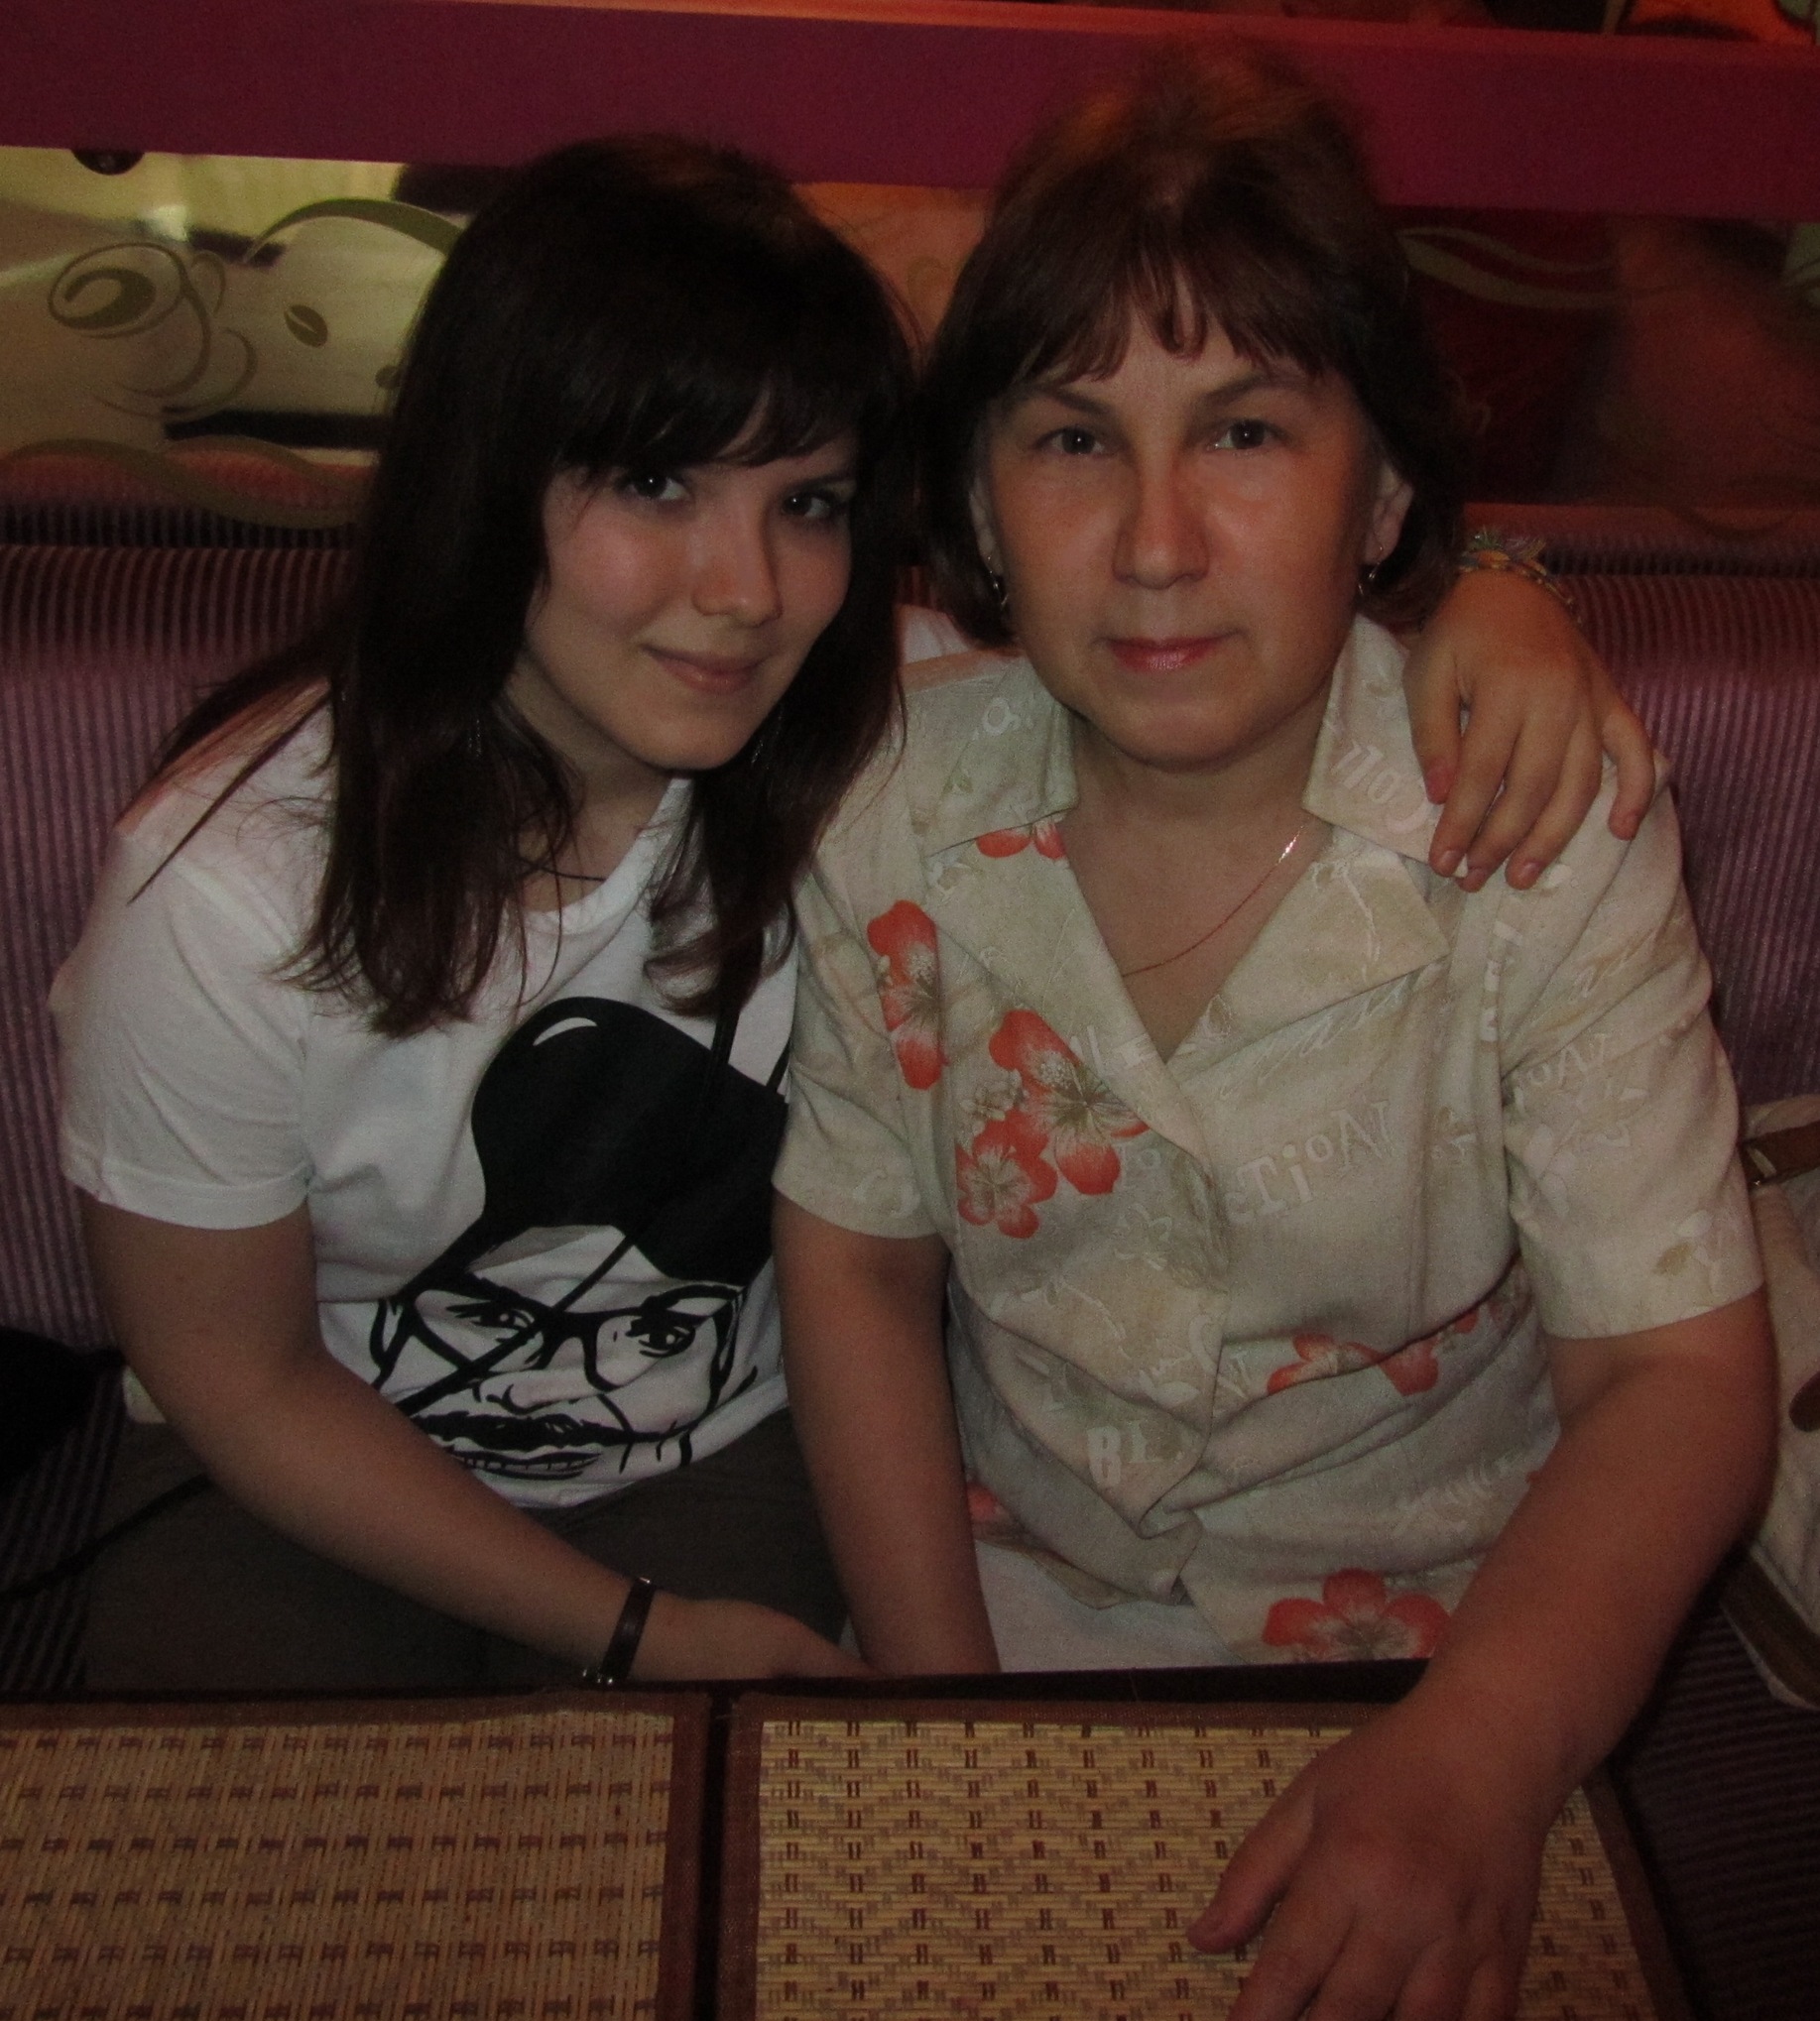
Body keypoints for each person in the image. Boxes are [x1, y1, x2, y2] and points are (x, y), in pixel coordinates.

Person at [58, 130, 1646, 1697]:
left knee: (726, 1853)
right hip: (314, 1468)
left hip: (720, 1451)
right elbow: (237, 1378)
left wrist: (1502, 587)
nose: (746, 591)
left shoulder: (876, 744)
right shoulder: (227, 894)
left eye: (809, 502)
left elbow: (1194, 629)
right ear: (486, 472)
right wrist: (633, 1630)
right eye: (656, 481)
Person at [773, 52, 1774, 2021]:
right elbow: (857, 1265)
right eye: (1074, 441)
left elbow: (1671, 1374)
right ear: (977, 502)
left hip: (1462, 1647)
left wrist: (1476, 1758)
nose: (1155, 542)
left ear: (1379, 490)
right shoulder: (889, 800)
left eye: (1243, 430)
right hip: (1001, 1582)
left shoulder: (1536, 828)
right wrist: (943, 1720)